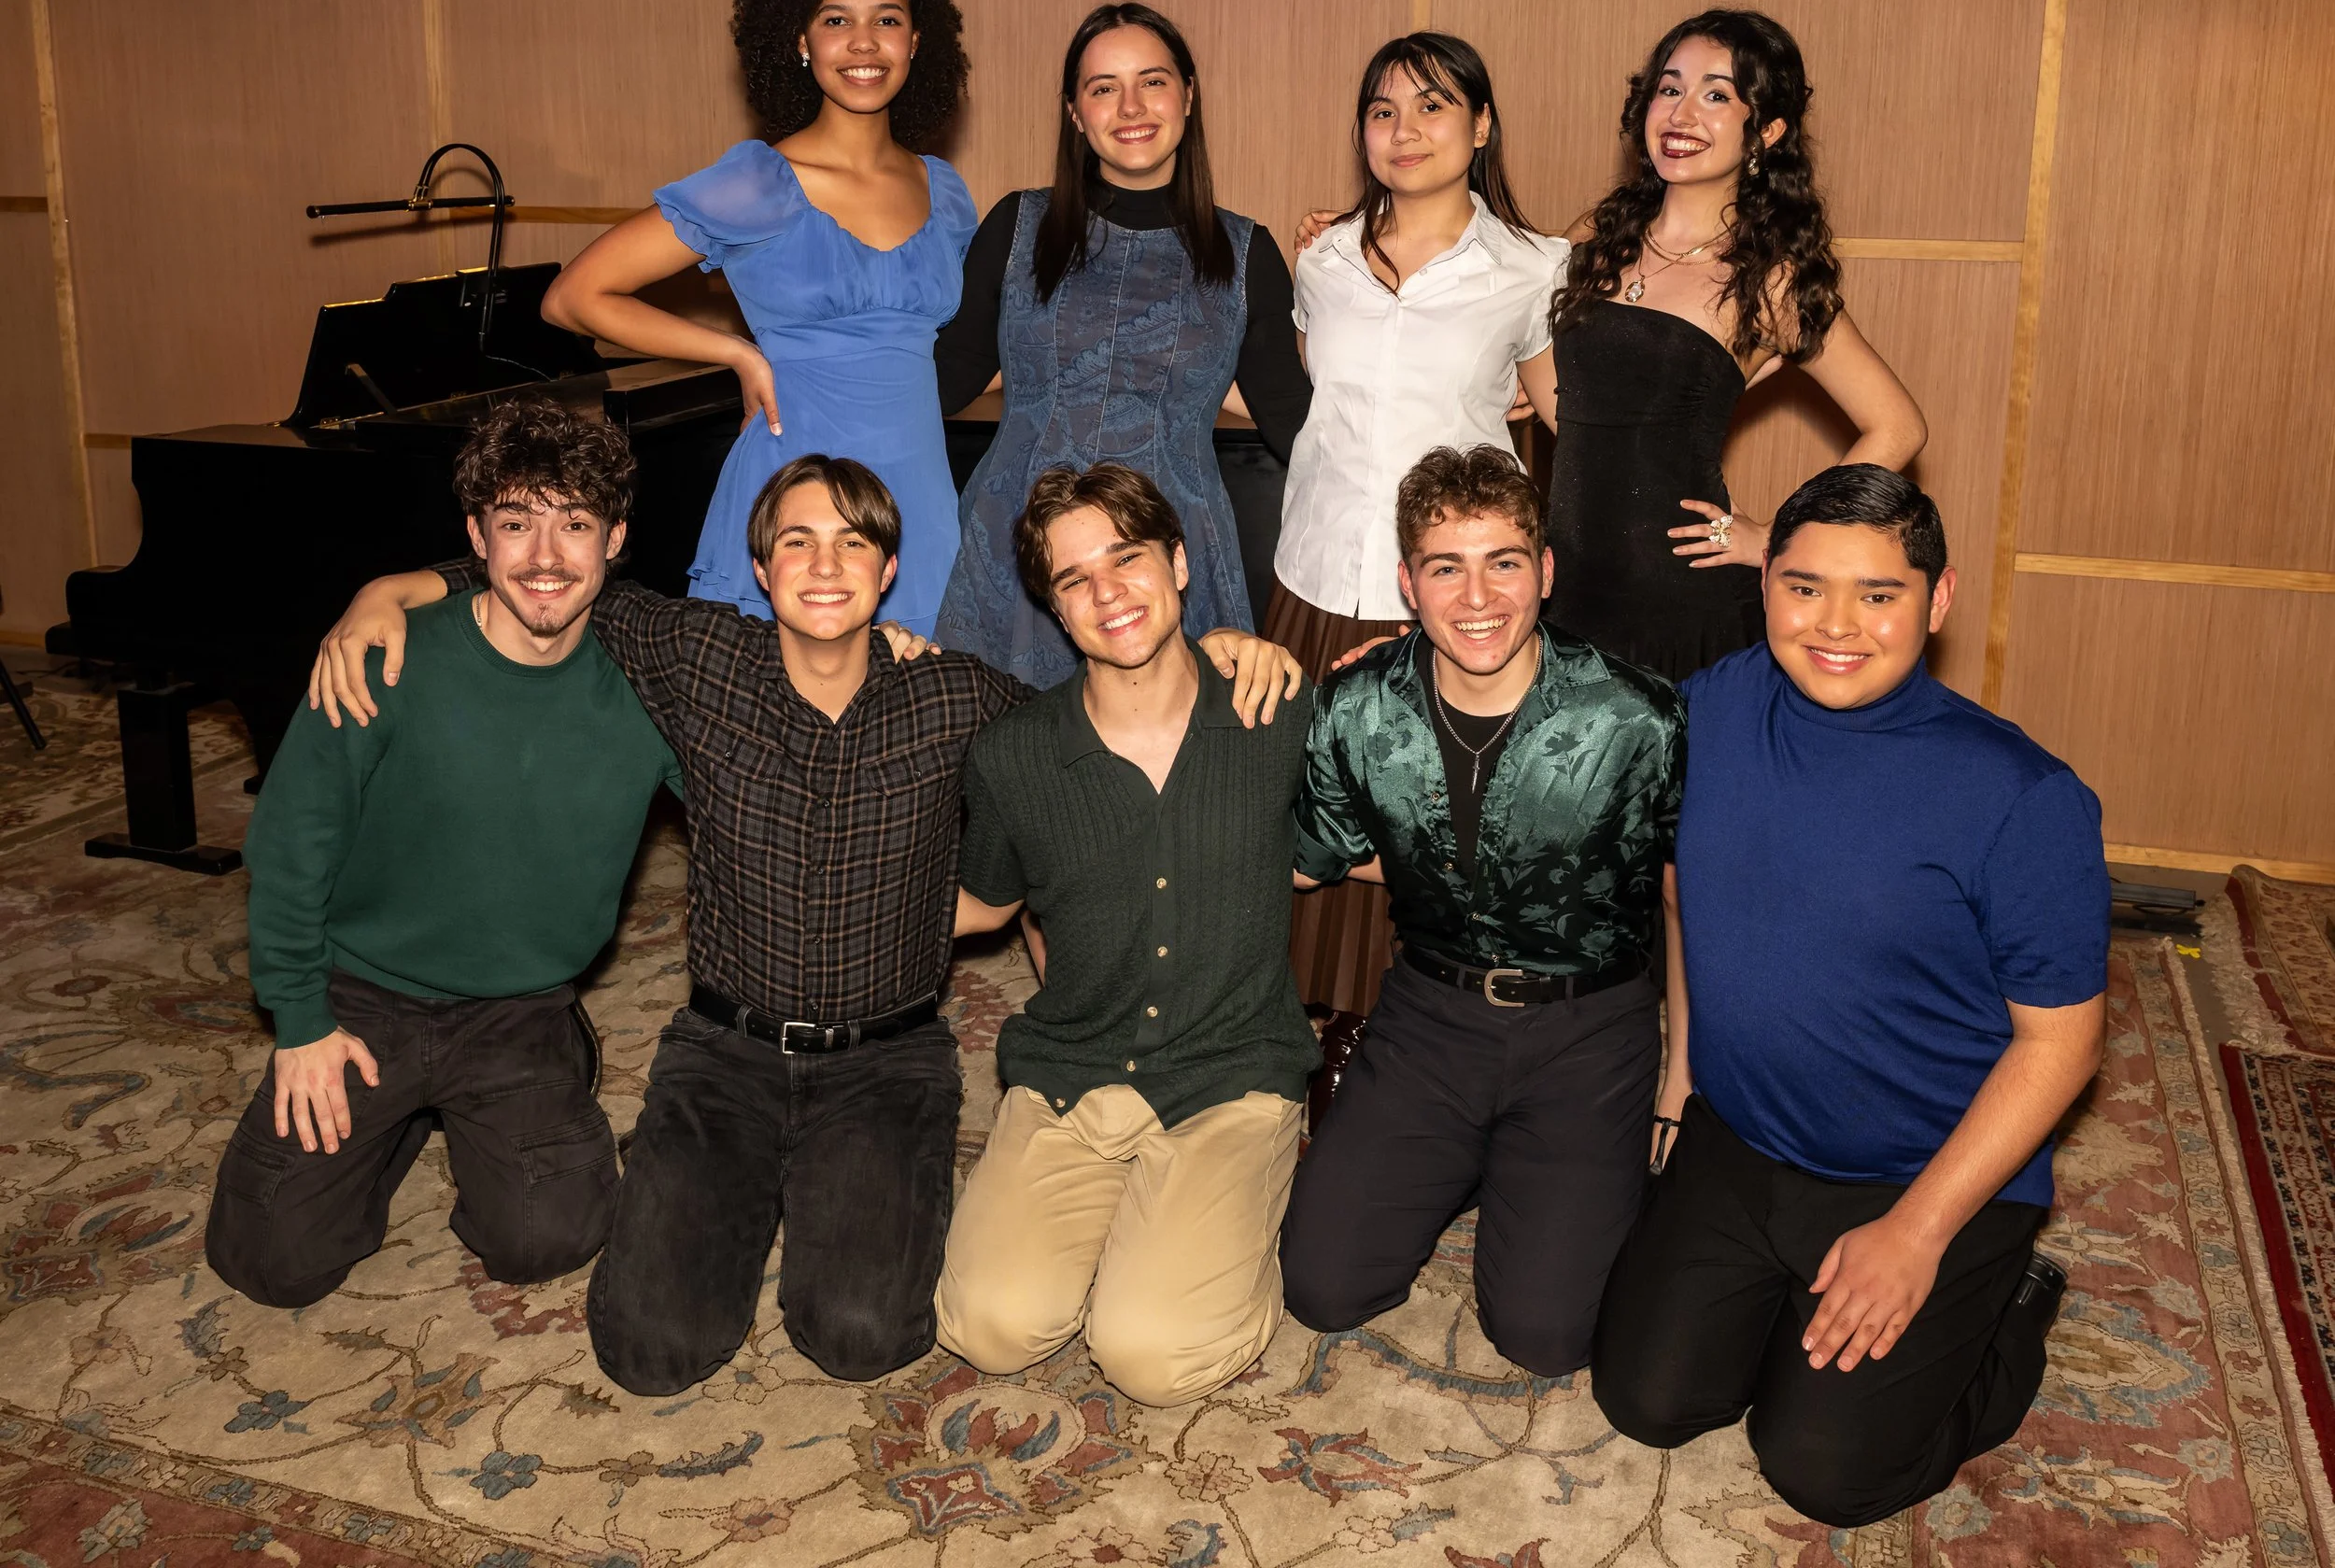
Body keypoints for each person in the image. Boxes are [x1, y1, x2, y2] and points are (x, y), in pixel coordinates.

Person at [308, 457, 1300, 1393]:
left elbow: (1102, 704)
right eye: (796, 542)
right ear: (759, 566)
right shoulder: (697, 654)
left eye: (852, 544)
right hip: (723, 1053)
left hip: (886, 1059)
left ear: (889, 569)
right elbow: (551, 577)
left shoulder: (958, 699)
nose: (825, 565)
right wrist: (391, 588)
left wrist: (1217, 648)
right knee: (650, 1350)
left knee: (864, 1336)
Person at [1592, 465, 2105, 1528]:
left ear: (1938, 598)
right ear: (1764, 582)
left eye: (1879, 594)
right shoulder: (1707, 711)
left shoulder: (2024, 796)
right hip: (1741, 1140)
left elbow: (2060, 1048)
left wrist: (1916, 1234)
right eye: (1804, 586)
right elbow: (1669, 877)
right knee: (1647, 1401)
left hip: (1921, 1168)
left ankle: (2006, 1306)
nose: (1837, 625)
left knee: (1823, 1469)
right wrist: (1681, 1073)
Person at [206, 399, 682, 1309]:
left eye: (574, 523)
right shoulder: (381, 658)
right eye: (516, 523)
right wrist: (300, 1020)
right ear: (476, 535)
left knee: (547, 1240)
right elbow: (289, 848)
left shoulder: (648, 679)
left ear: (615, 538)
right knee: (270, 1261)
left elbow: (759, 795)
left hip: (517, 1002)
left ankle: (553, 1054)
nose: (545, 556)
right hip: (361, 990)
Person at [1279, 445, 1685, 1378]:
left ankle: (1544, 1173)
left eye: (1503, 561)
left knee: (1543, 1335)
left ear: (1543, 571)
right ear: (1406, 584)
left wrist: (1678, 1080)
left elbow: (1683, 896)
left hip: (1590, 1026)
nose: (1476, 596)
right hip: (1431, 1015)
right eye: (1445, 566)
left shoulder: (1637, 717)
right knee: (1322, 1286)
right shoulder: (1355, 705)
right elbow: (1310, 859)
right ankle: (1478, 1159)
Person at [934, 463, 1319, 1406]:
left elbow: (1343, 840)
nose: (1107, 592)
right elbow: (980, 901)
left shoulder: (1276, 712)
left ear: (1178, 562)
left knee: (1151, 1354)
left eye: (1127, 557)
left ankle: (1226, 1227)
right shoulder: (1016, 753)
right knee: (988, 1324)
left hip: (1232, 1074)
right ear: (1055, 610)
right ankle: (1130, 1224)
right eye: (1073, 578)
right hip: (1074, 1069)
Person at [537, 0, 976, 636]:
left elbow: (955, 354)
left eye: (886, 21)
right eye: (836, 20)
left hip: (919, 498)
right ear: (800, 42)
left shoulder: (946, 191)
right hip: (793, 486)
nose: (863, 44)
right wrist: (735, 353)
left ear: (917, 42)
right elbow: (573, 298)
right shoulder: (758, 181)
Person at [1272, 31, 1568, 1037]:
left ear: (1480, 126)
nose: (1406, 131)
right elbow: (1306, 397)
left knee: (1435, 811)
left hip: (1452, 595)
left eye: (1434, 106)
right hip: (1317, 576)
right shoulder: (1318, 254)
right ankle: (1306, 1032)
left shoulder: (1534, 268)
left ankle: (1419, 1032)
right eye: (1383, 110)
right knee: (1314, 805)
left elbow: (1571, 421)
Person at [932, 2, 1309, 685]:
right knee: (996, 769)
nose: (1130, 106)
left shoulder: (1244, 251)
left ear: (1189, 96)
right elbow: (944, 379)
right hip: (1015, 549)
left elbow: (1294, 419)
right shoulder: (1019, 227)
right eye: (1104, 87)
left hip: (1169, 559)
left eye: (1153, 81)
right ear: (1075, 112)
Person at [1544, 7, 1925, 681]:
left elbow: (1897, 426)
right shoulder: (1592, 238)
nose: (1682, 113)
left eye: (1717, 95)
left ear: (1767, 132)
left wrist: (1781, 540)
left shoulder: (1768, 277)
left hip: (1679, 607)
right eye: (1670, 88)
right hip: (1561, 589)